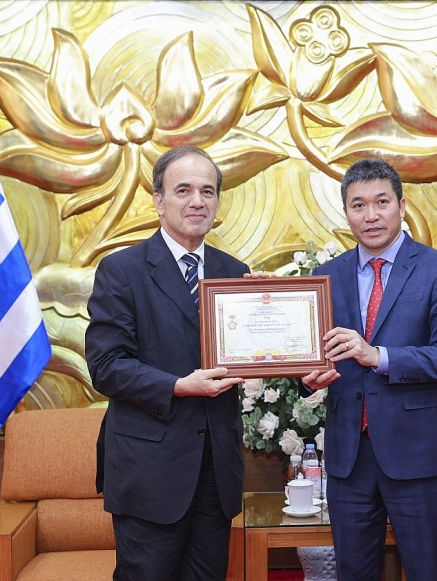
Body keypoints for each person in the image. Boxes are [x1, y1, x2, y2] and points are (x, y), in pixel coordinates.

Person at [302, 158, 437, 580]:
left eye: (381, 202)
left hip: (416, 455)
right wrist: (304, 378)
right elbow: (309, 356)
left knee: (427, 571)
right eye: (358, 205)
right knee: (354, 573)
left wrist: (378, 356)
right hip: (348, 458)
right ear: (346, 213)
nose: (371, 215)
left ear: (401, 205)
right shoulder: (326, 275)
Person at [85, 145, 249, 580]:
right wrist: (179, 385)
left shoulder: (235, 272)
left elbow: (247, 355)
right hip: (149, 471)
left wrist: (299, 366)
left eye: (208, 191)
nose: (198, 201)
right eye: (184, 190)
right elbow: (106, 365)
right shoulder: (122, 270)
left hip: (217, 470)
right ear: (158, 201)